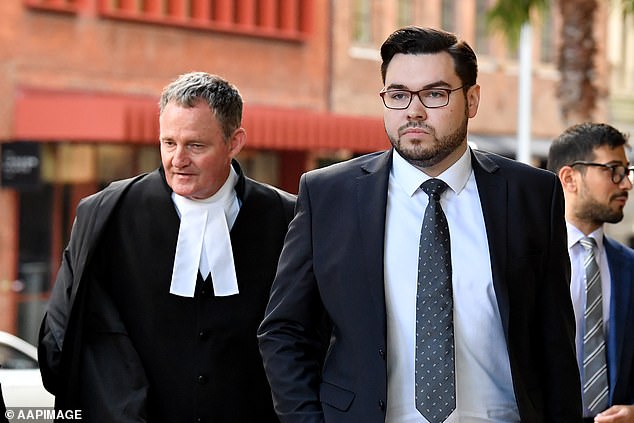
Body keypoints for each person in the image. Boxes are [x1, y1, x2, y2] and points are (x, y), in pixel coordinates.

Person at [258, 26, 581, 423]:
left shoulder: (533, 194)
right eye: (398, 95)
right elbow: (284, 332)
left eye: (434, 94)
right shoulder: (328, 195)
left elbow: (556, 344)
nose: (413, 111)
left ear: (472, 99)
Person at [38, 72, 295, 422]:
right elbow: (63, 336)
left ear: (234, 142)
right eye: (169, 143)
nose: (178, 159)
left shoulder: (289, 219)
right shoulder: (105, 215)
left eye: (195, 145)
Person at [548, 122, 634, 423]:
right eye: (613, 170)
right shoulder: (527, 261)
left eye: (627, 171)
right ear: (570, 178)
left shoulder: (630, 267)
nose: (626, 184)